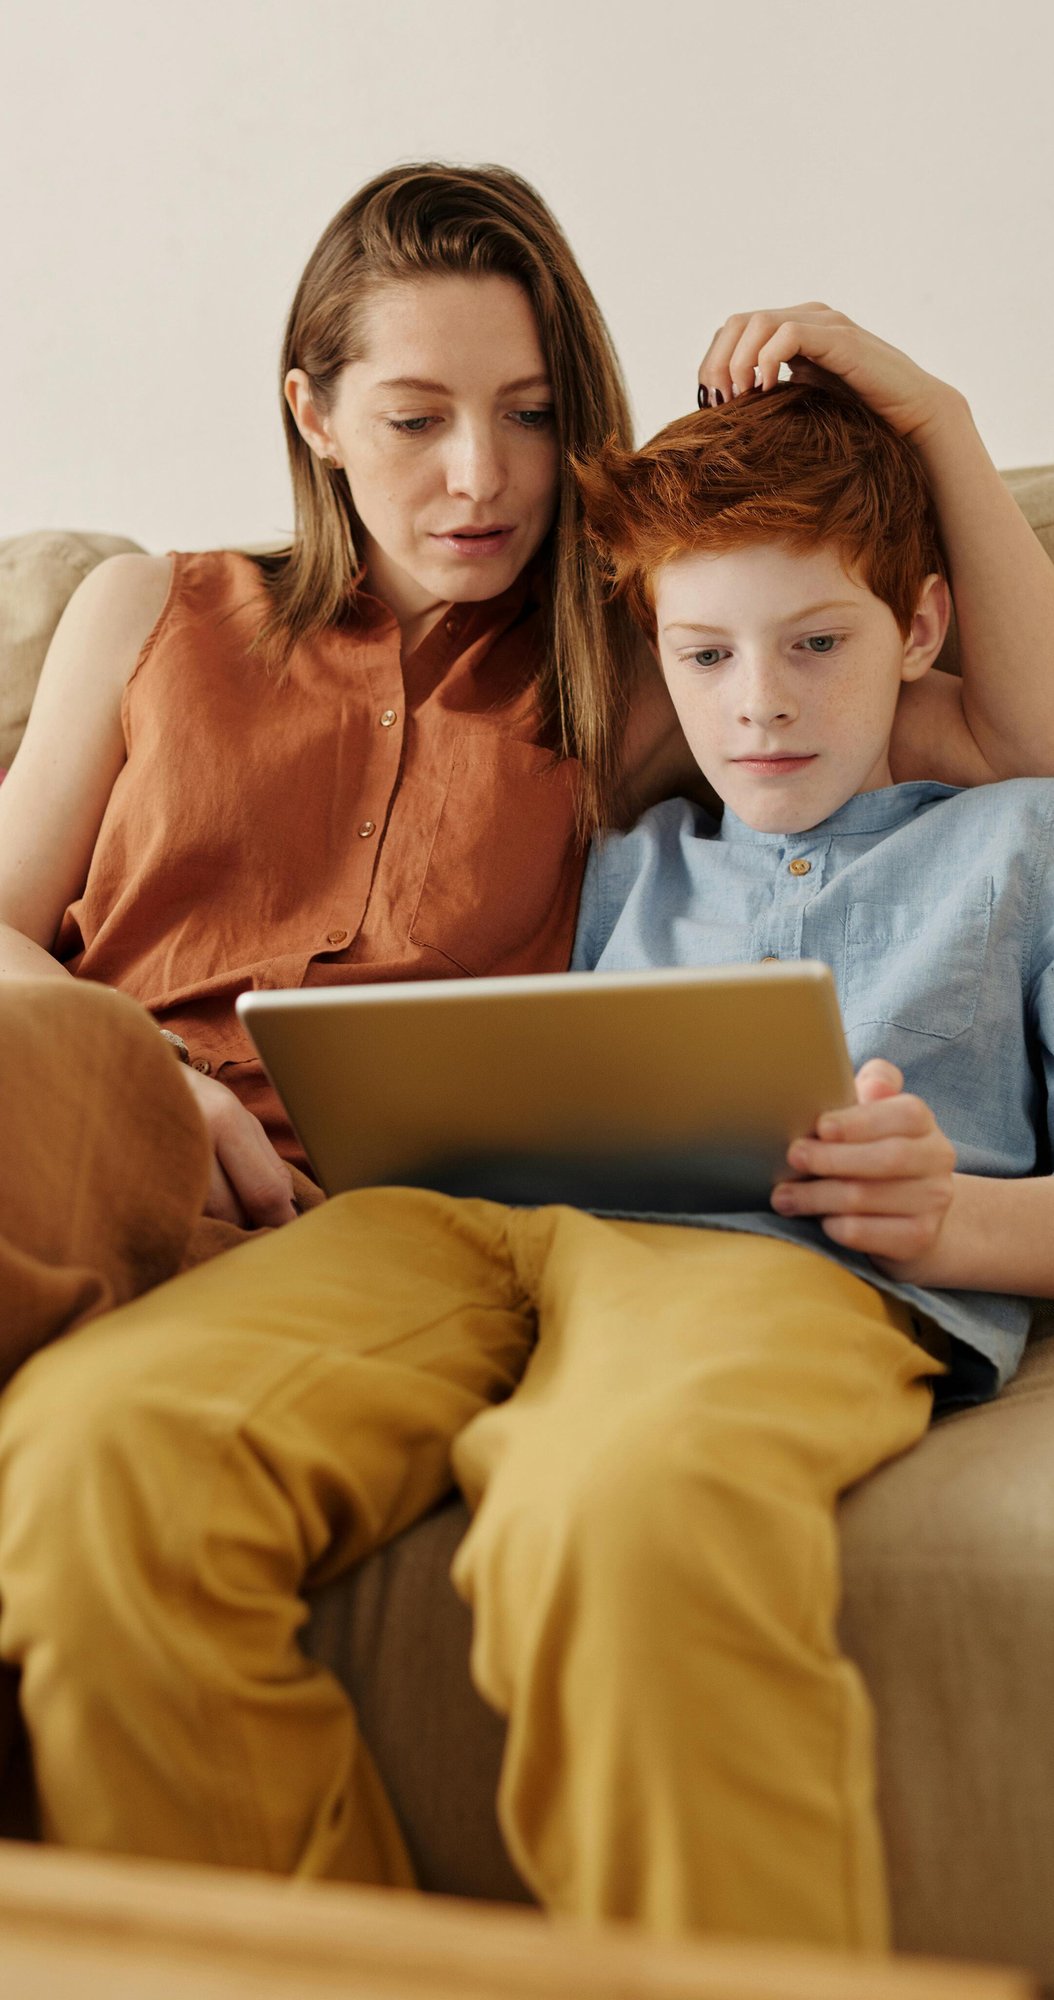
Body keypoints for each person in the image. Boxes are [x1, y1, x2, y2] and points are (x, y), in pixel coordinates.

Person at [1, 164, 1054, 1934]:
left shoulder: (638, 676)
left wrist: (926, 411)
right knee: (86, 1414)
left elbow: (1003, 728)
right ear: (316, 416)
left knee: (600, 1508)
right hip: (261, 1156)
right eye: (414, 418)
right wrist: (148, 1071)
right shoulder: (165, 615)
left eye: (530, 420)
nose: (477, 476)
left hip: (595, 1222)